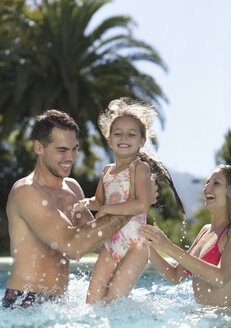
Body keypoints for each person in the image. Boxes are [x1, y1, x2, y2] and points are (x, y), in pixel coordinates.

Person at [1, 109, 159, 309]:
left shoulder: (73, 188)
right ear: (38, 147)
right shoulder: (27, 192)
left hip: (59, 304)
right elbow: (75, 247)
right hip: (25, 302)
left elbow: (94, 239)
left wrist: (142, 243)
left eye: (74, 149)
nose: (70, 157)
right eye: (62, 150)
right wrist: (134, 205)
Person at [74, 97, 185, 304]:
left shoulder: (139, 168)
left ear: (141, 141)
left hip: (135, 245)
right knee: (92, 301)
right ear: (109, 138)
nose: (124, 137)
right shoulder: (107, 170)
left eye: (131, 134)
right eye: (118, 133)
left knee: (114, 301)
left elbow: (141, 204)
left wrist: (107, 209)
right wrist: (86, 203)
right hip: (111, 243)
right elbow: (99, 200)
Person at [141, 164, 231, 307]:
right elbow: (175, 276)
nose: (207, 187)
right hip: (201, 317)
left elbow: (220, 278)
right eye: (207, 182)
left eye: (216, 183)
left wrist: (168, 246)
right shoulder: (205, 231)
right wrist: (145, 244)